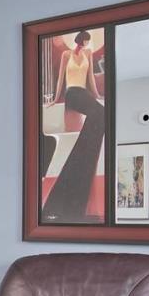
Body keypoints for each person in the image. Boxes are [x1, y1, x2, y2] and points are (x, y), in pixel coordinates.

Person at [42, 30, 105, 222]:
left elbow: (91, 81)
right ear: (80, 39)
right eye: (85, 40)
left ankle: (81, 158)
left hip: (83, 92)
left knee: (101, 114)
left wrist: (98, 97)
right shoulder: (65, 55)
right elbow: (62, 79)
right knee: (100, 115)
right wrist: (54, 99)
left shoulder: (87, 54)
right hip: (71, 94)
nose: (87, 43)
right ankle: (83, 153)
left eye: (89, 40)